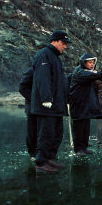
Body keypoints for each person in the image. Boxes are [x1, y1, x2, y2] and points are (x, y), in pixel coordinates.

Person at [30, 30, 71, 173]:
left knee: (56, 133)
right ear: (54, 41)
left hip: (56, 106)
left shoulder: (55, 57)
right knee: (46, 133)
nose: (65, 46)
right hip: (47, 106)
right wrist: (46, 98)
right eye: (63, 43)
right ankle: (41, 162)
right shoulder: (44, 55)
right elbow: (43, 78)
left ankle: (49, 158)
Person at [69, 53, 102, 157]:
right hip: (78, 104)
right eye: (90, 62)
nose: (92, 64)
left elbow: (92, 75)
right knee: (78, 128)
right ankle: (78, 149)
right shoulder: (79, 71)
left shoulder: (87, 72)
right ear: (83, 62)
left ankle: (84, 147)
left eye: (93, 62)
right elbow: (91, 75)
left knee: (85, 128)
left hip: (85, 105)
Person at [19, 67, 37, 161]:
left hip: (42, 107)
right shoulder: (31, 71)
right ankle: (32, 153)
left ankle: (41, 151)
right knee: (32, 130)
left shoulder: (46, 71)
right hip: (31, 106)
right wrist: (35, 99)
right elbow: (22, 88)